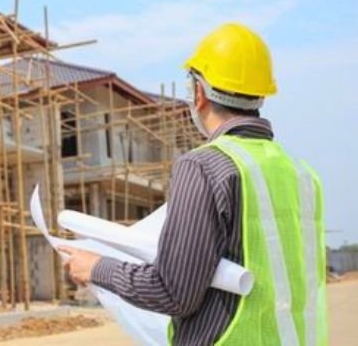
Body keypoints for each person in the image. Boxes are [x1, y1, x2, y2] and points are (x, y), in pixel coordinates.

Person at [59, 23, 327, 345]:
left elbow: (173, 292)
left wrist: (96, 267)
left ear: (198, 93)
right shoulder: (302, 174)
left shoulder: (203, 165)